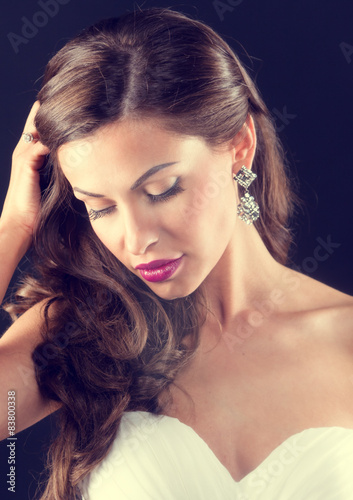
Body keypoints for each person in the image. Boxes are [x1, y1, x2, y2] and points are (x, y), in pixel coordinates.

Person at [1, 6, 353, 500]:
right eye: (99, 208)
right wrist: (12, 229)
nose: (136, 237)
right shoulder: (83, 333)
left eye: (162, 189)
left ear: (240, 146)